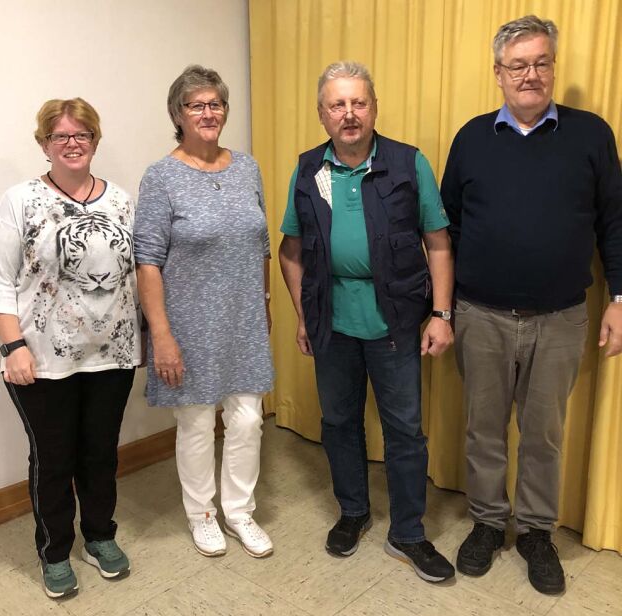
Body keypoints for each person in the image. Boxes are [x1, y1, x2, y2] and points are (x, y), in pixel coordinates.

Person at [441, 15, 622, 595]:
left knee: (544, 433)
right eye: (517, 64)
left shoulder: (592, 135)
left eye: (542, 62)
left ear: (553, 68)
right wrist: (440, 309)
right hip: (480, 314)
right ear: (498, 72)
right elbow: (445, 230)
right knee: (484, 429)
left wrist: (619, 296)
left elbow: (614, 224)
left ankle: (537, 533)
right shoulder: (470, 137)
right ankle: (489, 524)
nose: (531, 74)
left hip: (562, 316)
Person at [279, 61, 455, 582]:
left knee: (404, 431)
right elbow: (290, 252)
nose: (349, 114)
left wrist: (441, 314)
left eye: (359, 103)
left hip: (396, 324)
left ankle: (408, 532)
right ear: (322, 114)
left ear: (374, 108)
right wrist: (304, 314)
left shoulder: (407, 163)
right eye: (338, 104)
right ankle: (353, 511)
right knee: (338, 423)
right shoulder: (309, 168)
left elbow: (439, 242)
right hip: (332, 325)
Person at [0, 98, 141, 598]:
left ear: (96, 140)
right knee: (53, 459)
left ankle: (99, 536)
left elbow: (134, 272)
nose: (72, 144)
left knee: (100, 454)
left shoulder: (119, 199)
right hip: (42, 358)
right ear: (43, 144)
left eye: (82, 135)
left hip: (112, 355)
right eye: (60, 136)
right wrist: (13, 347)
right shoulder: (20, 199)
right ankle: (54, 551)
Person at [134, 65, 274, 559]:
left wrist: (264, 302)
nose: (208, 113)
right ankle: (204, 515)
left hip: (243, 318)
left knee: (248, 420)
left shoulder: (247, 167)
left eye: (215, 104)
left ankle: (239, 510)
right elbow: (147, 261)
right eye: (196, 105)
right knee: (195, 423)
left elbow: (261, 244)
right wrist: (162, 335)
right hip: (187, 322)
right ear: (178, 114)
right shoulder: (161, 176)